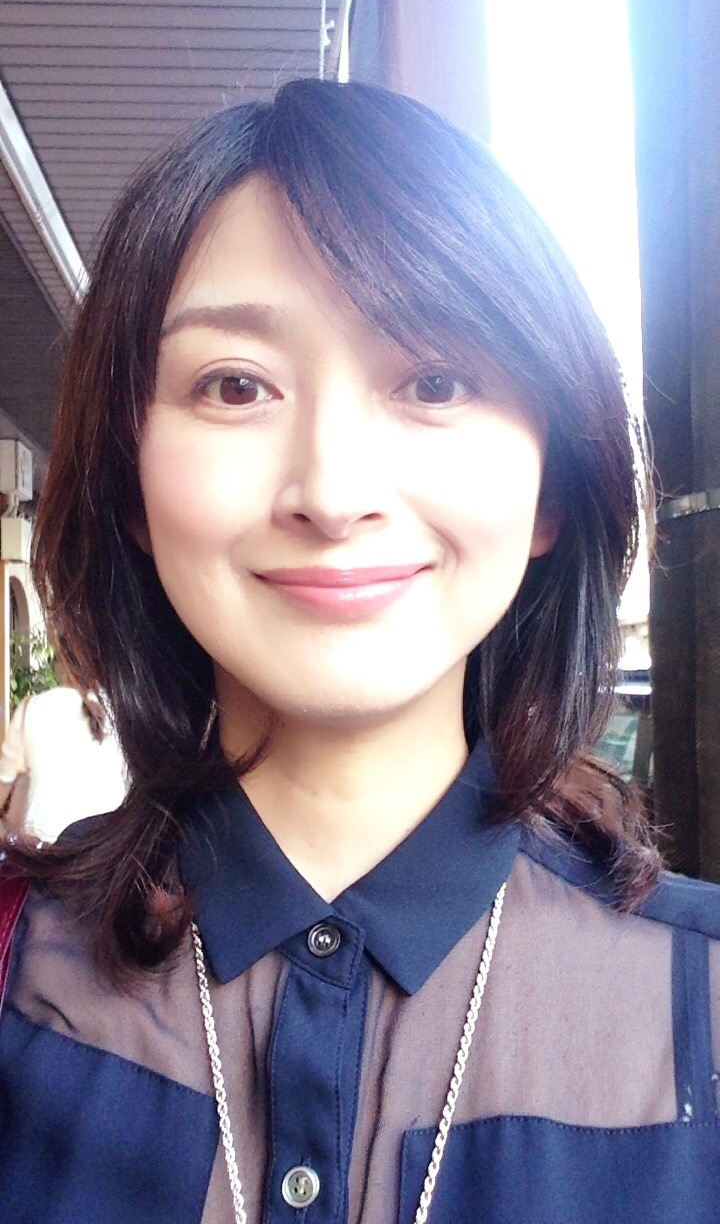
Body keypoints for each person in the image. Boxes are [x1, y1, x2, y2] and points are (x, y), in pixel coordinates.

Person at [0, 77, 717, 1224]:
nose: (332, 493)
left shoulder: (699, 1004)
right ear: (130, 480)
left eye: (435, 380)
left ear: (551, 485)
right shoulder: (18, 969)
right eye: (236, 385)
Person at [0, 681, 127, 842]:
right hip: (108, 843)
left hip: (42, 845)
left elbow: (4, 782)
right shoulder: (126, 711)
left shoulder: (33, 706)